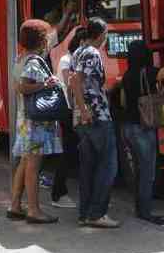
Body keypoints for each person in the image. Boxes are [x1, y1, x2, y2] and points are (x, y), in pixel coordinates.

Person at [121, 40, 164, 228]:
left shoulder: (127, 75)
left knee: (140, 171)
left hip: (127, 128)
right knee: (148, 173)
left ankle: (140, 209)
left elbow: (125, 101)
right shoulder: (147, 72)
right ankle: (145, 213)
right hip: (143, 128)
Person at [7, 19, 63, 225]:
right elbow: (23, 87)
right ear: (41, 40)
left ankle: (15, 205)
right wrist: (46, 84)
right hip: (35, 122)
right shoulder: (33, 62)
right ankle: (34, 210)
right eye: (47, 36)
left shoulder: (20, 58)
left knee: (25, 162)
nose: (49, 40)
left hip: (25, 118)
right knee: (33, 165)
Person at [70, 17, 119, 228]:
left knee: (88, 167)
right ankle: (97, 213)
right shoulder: (92, 53)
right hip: (96, 116)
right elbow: (76, 81)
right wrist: (85, 109)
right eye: (106, 35)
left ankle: (85, 213)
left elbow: (78, 81)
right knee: (108, 165)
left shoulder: (78, 51)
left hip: (83, 118)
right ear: (101, 35)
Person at [48, 27, 86, 209]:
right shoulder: (66, 60)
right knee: (67, 152)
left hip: (73, 111)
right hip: (68, 112)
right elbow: (69, 86)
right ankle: (58, 193)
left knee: (72, 152)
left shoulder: (74, 59)